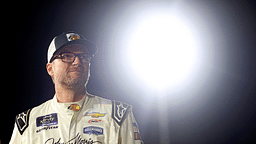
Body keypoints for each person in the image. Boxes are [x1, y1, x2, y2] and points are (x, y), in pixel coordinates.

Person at [9, 32, 143, 144]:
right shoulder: (27, 121)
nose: (78, 62)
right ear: (50, 69)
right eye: (67, 56)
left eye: (84, 57)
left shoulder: (118, 115)